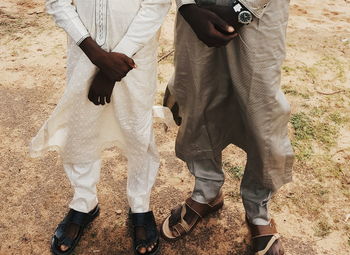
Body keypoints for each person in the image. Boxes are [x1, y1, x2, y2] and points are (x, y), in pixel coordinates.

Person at [29, 0, 171, 254]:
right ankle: (84, 202)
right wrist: (97, 55)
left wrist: (112, 68)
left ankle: (140, 205)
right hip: (85, 55)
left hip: (135, 60)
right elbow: (57, 3)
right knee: (81, 130)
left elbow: (156, 6)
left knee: (137, 131)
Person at [161, 0, 294, 254]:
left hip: (261, 15)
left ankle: (258, 209)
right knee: (198, 96)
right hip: (196, 16)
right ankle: (206, 190)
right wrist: (187, 7)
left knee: (261, 111)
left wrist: (240, 10)